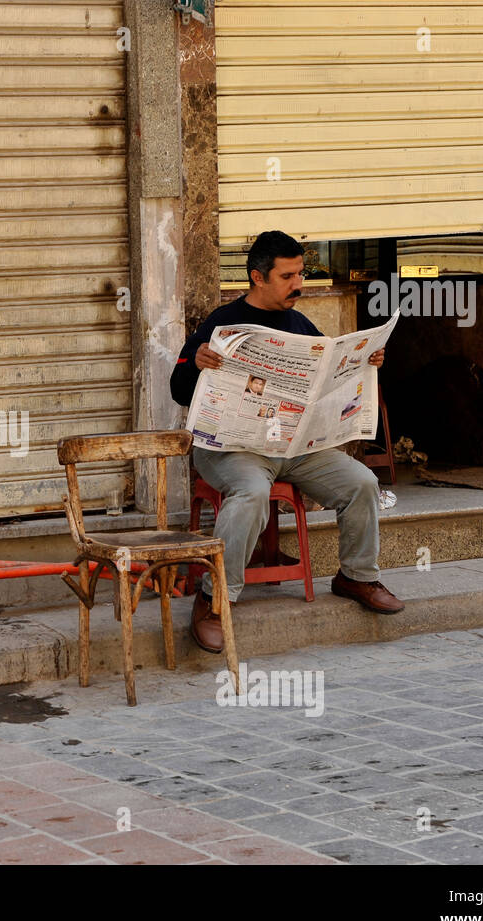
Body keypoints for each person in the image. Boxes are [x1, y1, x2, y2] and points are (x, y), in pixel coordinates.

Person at [170, 230, 403, 654]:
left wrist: (363, 365)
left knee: (362, 483)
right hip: (232, 449)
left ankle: (356, 576)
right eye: (288, 276)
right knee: (252, 493)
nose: (299, 284)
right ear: (258, 277)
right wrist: (199, 363)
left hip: (295, 448)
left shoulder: (301, 325)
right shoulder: (222, 323)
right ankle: (214, 599)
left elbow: (326, 387)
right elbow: (179, 390)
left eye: (301, 273)